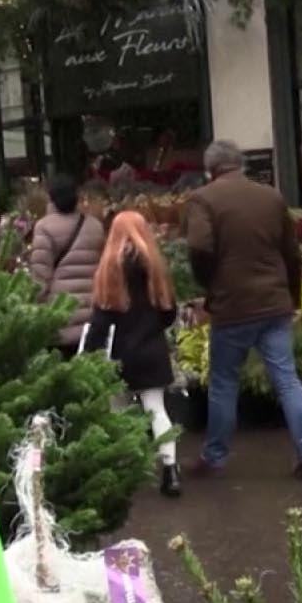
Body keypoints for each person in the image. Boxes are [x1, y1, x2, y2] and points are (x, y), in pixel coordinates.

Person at [184, 139, 302, 480]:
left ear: (211, 168)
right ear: (241, 164)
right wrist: (293, 297)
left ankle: (215, 457)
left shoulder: (203, 199)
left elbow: (199, 246)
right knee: (287, 380)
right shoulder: (271, 197)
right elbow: (292, 253)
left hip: (232, 306)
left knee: (223, 383)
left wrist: (209, 285)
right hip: (274, 303)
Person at [86, 211, 183, 498]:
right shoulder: (155, 267)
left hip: (119, 353)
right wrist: (152, 329)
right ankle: (171, 471)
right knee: (157, 409)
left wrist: (90, 352)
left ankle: (124, 473)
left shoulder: (108, 270)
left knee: (118, 411)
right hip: (152, 349)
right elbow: (169, 312)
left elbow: (101, 317)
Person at [26, 174, 106, 351]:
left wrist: (35, 311)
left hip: (60, 316)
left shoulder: (43, 228)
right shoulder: (95, 226)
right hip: (90, 315)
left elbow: (40, 278)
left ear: (51, 199)